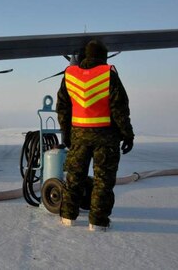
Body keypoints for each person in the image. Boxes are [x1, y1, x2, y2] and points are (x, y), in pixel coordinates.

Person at [56, 39, 134, 231]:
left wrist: (66, 133)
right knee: (103, 181)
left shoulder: (70, 75)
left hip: (79, 136)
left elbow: (63, 108)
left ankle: (68, 216)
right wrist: (127, 134)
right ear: (103, 57)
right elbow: (120, 109)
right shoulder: (109, 75)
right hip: (106, 138)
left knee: (74, 178)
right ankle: (97, 222)